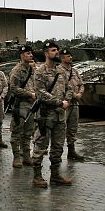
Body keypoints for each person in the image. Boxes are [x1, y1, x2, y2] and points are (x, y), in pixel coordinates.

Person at [30, 42, 73, 188]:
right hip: (46, 115)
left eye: (57, 50)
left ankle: (55, 175)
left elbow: (69, 87)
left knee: (58, 146)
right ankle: (37, 176)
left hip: (60, 116)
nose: (57, 53)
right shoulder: (40, 71)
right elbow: (40, 93)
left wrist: (67, 99)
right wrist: (59, 102)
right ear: (46, 53)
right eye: (53, 50)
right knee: (41, 145)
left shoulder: (61, 71)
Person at [8, 45, 36, 168]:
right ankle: (16, 157)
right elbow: (13, 88)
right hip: (20, 105)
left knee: (28, 132)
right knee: (17, 131)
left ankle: (26, 156)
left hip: (31, 104)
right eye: (27, 53)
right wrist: (29, 94)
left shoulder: (32, 69)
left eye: (31, 53)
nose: (30, 55)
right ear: (22, 55)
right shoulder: (17, 70)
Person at [60, 49, 85, 161]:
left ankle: (71, 151)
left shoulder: (74, 71)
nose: (70, 58)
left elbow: (81, 84)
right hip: (64, 103)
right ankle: (57, 154)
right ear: (62, 58)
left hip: (75, 104)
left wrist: (80, 93)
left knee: (73, 128)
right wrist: (73, 94)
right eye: (68, 56)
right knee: (61, 128)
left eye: (71, 56)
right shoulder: (58, 71)